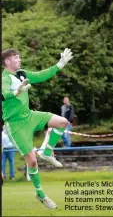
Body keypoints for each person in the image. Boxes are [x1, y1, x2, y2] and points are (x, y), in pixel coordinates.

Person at [2, 48, 73, 209]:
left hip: (29, 116)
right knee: (32, 161)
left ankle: (47, 152)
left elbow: (41, 75)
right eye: (16, 57)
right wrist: (17, 91)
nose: (19, 59)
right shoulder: (4, 78)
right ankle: (40, 193)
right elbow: (3, 93)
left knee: (62, 122)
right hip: (15, 124)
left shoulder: (21, 73)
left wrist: (59, 65)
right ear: (7, 61)